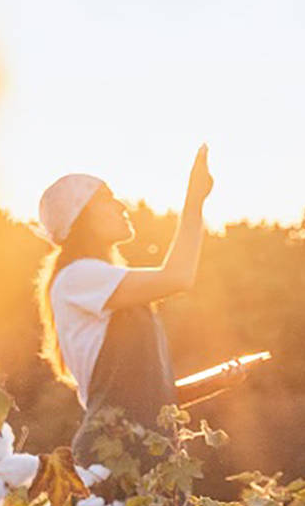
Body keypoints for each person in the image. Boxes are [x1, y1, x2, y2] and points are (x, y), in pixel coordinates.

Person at [36, 145, 214, 464]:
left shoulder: (106, 286)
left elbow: (145, 399)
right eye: (107, 198)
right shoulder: (77, 277)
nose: (121, 205)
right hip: (116, 454)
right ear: (81, 216)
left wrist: (216, 381)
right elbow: (178, 277)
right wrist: (194, 200)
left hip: (148, 451)